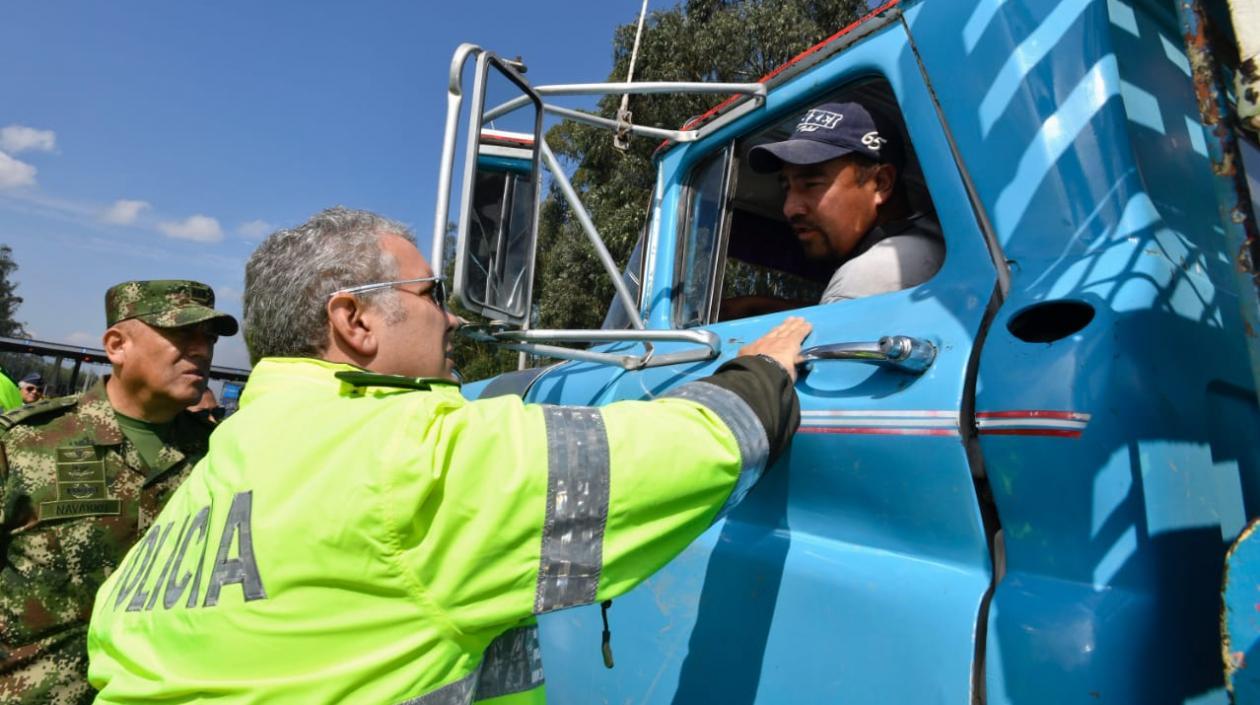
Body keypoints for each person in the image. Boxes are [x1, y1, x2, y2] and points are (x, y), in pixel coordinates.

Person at [86, 207, 811, 704]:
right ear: (355, 319)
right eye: (432, 292)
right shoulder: (406, 454)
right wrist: (761, 373)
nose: (454, 315)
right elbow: (690, 451)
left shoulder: (217, 470)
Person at [0, 280, 238, 705]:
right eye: (182, 334)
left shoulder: (222, 453)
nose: (202, 350)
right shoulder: (24, 443)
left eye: (209, 337)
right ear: (116, 345)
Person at [723, 101, 945, 319]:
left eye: (811, 184)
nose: (789, 209)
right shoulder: (932, 246)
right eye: (786, 187)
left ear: (880, 183)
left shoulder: (865, 278)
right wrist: (760, 305)